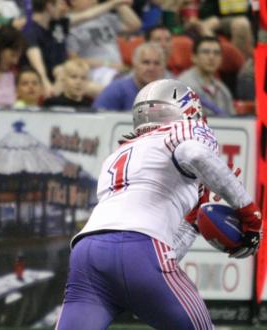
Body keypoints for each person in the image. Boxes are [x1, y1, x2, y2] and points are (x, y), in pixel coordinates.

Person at [56, 79, 262, 329]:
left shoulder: (119, 153)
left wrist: (192, 223)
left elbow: (162, 250)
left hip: (86, 251)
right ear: (188, 110)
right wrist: (249, 213)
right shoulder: (187, 131)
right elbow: (194, 154)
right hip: (140, 249)